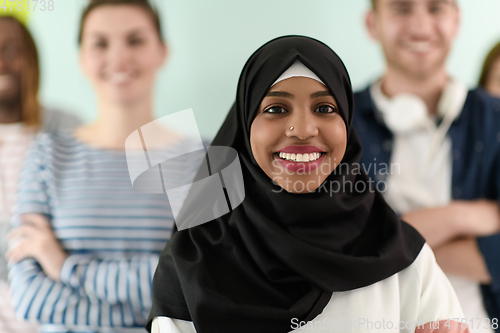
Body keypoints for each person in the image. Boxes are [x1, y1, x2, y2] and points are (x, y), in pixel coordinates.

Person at [147, 35, 469, 333]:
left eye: (325, 108)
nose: (302, 129)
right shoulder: (193, 258)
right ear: (244, 129)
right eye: (275, 108)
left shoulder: (401, 256)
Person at [6, 1, 205, 332]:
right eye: (100, 43)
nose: (118, 57)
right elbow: (29, 298)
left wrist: (66, 266)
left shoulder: (204, 157)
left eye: (135, 40)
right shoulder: (45, 154)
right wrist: (152, 306)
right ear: (82, 58)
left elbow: (204, 285)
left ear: (162, 51)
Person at [354, 0, 500, 332]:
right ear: (372, 24)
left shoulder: (495, 120)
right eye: (401, 9)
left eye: (436, 8)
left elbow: (361, 251)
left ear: (456, 21)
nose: (420, 26)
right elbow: (332, 248)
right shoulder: (336, 126)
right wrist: (465, 216)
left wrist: (385, 249)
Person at [0, 15, 80, 333]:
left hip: (57, 314)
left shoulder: (68, 129)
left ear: (31, 58)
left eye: (10, 50)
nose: (2, 63)